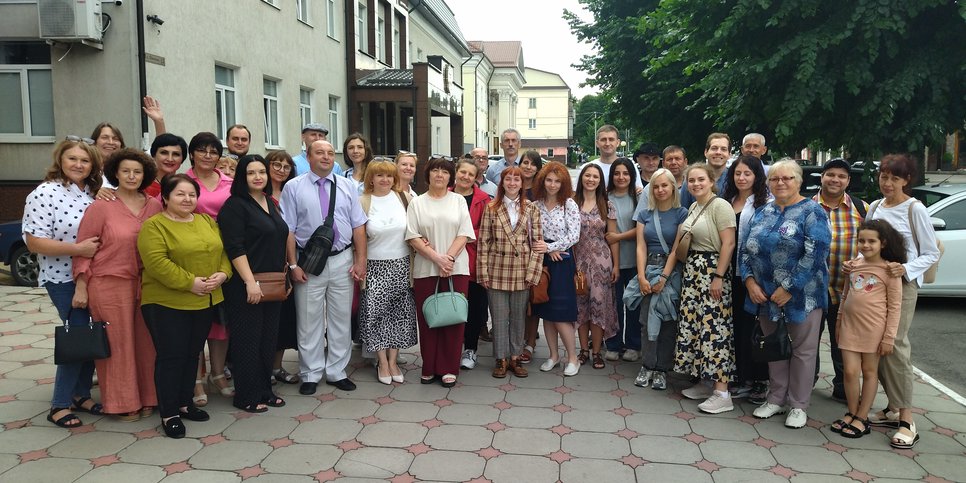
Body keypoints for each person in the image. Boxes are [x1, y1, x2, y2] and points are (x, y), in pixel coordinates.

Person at [138, 174, 232, 438]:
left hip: (204, 300)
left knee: (193, 354)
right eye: (180, 194)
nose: (187, 199)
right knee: (171, 356)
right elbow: (157, 263)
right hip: (167, 302)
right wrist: (190, 283)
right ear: (165, 197)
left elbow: (223, 252)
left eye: (191, 194)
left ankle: (184, 402)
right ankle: (169, 413)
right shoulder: (154, 226)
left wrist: (223, 274)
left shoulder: (205, 221)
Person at [741, 160, 831, 428]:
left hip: (802, 296)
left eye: (787, 178)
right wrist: (749, 282)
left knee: (803, 350)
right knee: (774, 347)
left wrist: (789, 287)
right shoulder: (763, 211)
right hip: (765, 296)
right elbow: (746, 249)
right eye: (775, 179)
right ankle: (776, 398)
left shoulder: (812, 212)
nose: (780, 183)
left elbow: (816, 254)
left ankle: (798, 404)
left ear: (799, 181)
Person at [73, 148, 162, 422]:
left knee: (148, 343)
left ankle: (149, 398)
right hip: (108, 284)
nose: (132, 176)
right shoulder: (101, 206)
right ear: (116, 174)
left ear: (145, 174)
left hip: (147, 284)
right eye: (125, 171)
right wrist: (81, 285)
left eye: (137, 171)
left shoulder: (155, 205)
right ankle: (123, 403)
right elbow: (84, 248)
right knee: (117, 346)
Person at [23, 138, 104, 428]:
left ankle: (81, 394)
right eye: (72, 159)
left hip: (94, 275)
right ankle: (59, 404)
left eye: (85, 160)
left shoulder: (90, 193)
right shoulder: (44, 193)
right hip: (63, 278)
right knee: (78, 335)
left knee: (92, 334)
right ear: (61, 160)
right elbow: (34, 242)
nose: (79, 165)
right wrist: (78, 250)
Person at [862, 153, 940, 449]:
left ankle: (907, 418)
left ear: (907, 180)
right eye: (884, 177)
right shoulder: (876, 207)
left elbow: (931, 252)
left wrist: (905, 268)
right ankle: (893, 407)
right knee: (875, 345)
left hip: (902, 286)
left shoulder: (915, 209)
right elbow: (867, 244)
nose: (888, 183)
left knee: (894, 344)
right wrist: (856, 263)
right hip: (873, 285)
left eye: (895, 178)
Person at [281, 140, 367, 395]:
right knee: (309, 320)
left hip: (342, 259)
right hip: (307, 261)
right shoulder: (293, 187)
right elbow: (289, 229)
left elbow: (358, 225)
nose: (326, 157)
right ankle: (310, 372)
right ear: (308, 157)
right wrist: (293, 264)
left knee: (341, 318)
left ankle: (337, 371)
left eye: (330, 153)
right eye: (319, 153)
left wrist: (360, 260)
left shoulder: (348, 186)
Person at [218, 155, 291, 412]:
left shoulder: (269, 202)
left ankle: (264, 390)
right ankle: (246, 395)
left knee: (267, 339)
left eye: (261, 171)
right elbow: (234, 248)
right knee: (247, 340)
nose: (258, 177)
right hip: (246, 285)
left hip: (272, 283)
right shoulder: (235, 206)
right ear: (241, 177)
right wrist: (250, 282)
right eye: (251, 173)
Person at [406, 157, 476, 387]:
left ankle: (449, 367)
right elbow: (413, 236)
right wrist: (437, 259)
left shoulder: (458, 201)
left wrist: (449, 259)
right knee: (428, 318)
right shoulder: (417, 203)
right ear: (428, 175)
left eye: (444, 172)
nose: (439, 175)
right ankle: (429, 366)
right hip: (426, 268)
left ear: (450, 177)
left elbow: (464, 233)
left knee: (453, 318)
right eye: (435, 170)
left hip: (456, 268)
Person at [831, 219, 904, 439]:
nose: (865, 245)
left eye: (871, 241)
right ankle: (852, 412)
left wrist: (889, 337)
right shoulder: (853, 265)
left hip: (874, 330)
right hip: (849, 327)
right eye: (861, 240)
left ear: (882, 243)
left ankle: (863, 417)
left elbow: (895, 307)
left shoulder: (890, 270)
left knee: (869, 372)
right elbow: (845, 295)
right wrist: (839, 321)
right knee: (850, 371)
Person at [674, 163, 737, 414]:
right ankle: (705, 381)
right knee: (697, 327)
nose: (696, 184)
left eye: (701, 179)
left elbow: (729, 243)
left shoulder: (721, 206)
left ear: (712, 181)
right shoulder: (694, 206)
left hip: (712, 270)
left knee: (715, 329)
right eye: (691, 180)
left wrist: (719, 276)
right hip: (694, 272)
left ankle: (722, 392)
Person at [478, 167, 544, 378]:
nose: (513, 183)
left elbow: (537, 243)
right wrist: (483, 273)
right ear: (502, 182)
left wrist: (533, 273)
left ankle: (515, 357)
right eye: (509, 179)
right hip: (497, 270)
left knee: (518, 318)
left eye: (517, 179)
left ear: (522, 183)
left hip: (522, 271)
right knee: (497, 318)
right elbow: (483, 243)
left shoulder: (531, 208)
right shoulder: (491, 208)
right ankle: (501, 358)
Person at [185, 132, 235, 402]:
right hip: (193, 255)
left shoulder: (229, 181)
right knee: (195, 325)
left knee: (221, 324)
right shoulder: (183, 181)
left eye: (213, 151)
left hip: (225, 256)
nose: (208, 155)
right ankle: (195, 381)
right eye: (202, 150)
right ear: (192, 153)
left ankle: (218, 373)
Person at [812, 158, 868, 400]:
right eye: (830, 174)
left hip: (847, 290)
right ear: (822, 177)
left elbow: (873, 244)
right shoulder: (807, 205)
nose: (835, 179)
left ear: (848, 181)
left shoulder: (862, 208)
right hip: (812, 288)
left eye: (841, 176)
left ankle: (844, 388)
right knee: (808, 340)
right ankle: (805, 382)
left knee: (843, 341)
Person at [358, 161, 418, 384]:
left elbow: (417, 228)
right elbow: (357, 237)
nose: (385, 180)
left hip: (402, 264)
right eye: (379, 175)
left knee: (399, 315)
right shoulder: (363, 201)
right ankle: (381, 362)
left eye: (389, 176)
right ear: (371, 179)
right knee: (375, 315)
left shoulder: (404, 198)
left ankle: (393, 361)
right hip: (374, 267)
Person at [721, 155, 772, 404]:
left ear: (757, 176)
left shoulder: (765, 203)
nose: (741, 178)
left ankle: (759, 381)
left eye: (747, 174)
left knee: (754, 327)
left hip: (752, 274)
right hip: (727, 271)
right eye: (738, 173)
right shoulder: (727, 201)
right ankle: (741, 377)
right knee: (735, 326)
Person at [633, 169, 687, 390]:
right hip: (649, 268)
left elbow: (677, 248)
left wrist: (665, 276)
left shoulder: (682, 213)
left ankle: (662, 368)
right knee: (646, 320)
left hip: (671, 271)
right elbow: (640, 246)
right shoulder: (645, 214)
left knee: (668, 320)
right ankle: (647, 365)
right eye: (656, 186)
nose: (660, 190)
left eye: (665, 185)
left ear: (673, 187)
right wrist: (642, 276)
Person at [530, 162, 580, 376]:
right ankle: (553, 355)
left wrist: (551, 247)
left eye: (557, 181)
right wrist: (546, 250)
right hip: (543, 261)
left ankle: (573, 358)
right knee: (546, 312)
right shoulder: (536, 205)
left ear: (564, 183)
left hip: (563, 261)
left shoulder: (569, 204)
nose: (552, 184)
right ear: (543, 181)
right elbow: (530, 233)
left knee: (560, 313)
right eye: (549, 180)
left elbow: (574, 235)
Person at [573, 163, 619, 370]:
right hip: (578, 261)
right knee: (581, 306)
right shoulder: (572, 203)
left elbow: (613, 238)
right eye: (587, 175)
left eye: (595, 176)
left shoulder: (607, 205)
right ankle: (583, 349)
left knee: (599, 306)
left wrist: (616, 265)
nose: (591, 179)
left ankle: (597, 351)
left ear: (601, 181)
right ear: (582, 177)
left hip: (602, 262)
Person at [265, 150, 301, 385]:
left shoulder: (292, 191)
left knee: (284, 319)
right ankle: (262, 368)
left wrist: (292, 263)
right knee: (264, 320)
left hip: (287, 263)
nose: (281, 169)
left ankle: (277, 367)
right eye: (276, 164)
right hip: (264, 263)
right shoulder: (258, 194)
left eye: (286, 166)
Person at [451, 159, 491, 371]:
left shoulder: (484, 199)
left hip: (475, 260)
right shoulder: (444, 194)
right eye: (462, 172)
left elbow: (488, 231)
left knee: (475, 308)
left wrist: (464, 235)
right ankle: (452, 347)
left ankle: (471, 349)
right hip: (449, 259)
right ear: (456, 173)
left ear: (476, 178)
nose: (466, 177)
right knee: (452, 305)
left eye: (470, 174)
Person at [603, 157, 641, 362]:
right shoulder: (606, 197)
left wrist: (618, 236)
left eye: (625, 173)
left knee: (633, 304)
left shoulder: (639, 197)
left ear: (631, 175)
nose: (621, 177)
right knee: (614, 304)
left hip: (636, 260)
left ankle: (634, 345)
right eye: (617, 173)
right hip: (612, 261)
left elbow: (643, 230)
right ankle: (613, 343)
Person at [680, 133, 731, 208]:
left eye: (723, 149)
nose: (718, 152)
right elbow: (685, 211)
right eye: (714, 148)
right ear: (706, 152)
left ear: (729, 154)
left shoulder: (734, 179)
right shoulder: (691, 180)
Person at [590, 125, 644, 190]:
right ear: (597, 143)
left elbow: (638, 191)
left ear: (618, 142)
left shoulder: (630, 166)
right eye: (603, 140)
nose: (607, 143)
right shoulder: (587, 168)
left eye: (611, 139)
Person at [145, 133, 188, 198]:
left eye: (176, 154)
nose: (170, 159)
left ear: (182, 159)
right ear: (154, 155)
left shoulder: (186, 186)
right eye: (164, 153)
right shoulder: (143, 186)